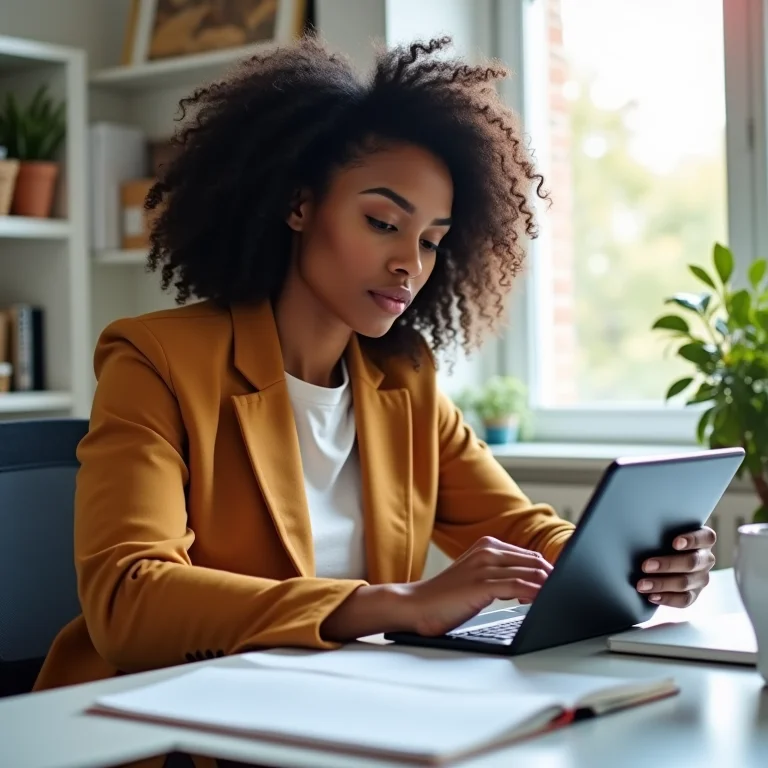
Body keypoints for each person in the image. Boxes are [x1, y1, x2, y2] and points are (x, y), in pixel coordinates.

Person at [36, 35, 716, 695]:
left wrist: (638, 563)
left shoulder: (402, 378)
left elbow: (521, 531)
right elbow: (130, 601)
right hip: (168, 724)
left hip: (343, 707)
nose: (409, 264)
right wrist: (394, 603)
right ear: (299, 205)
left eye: (431, 241)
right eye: (383, 223)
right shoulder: (156, 361)